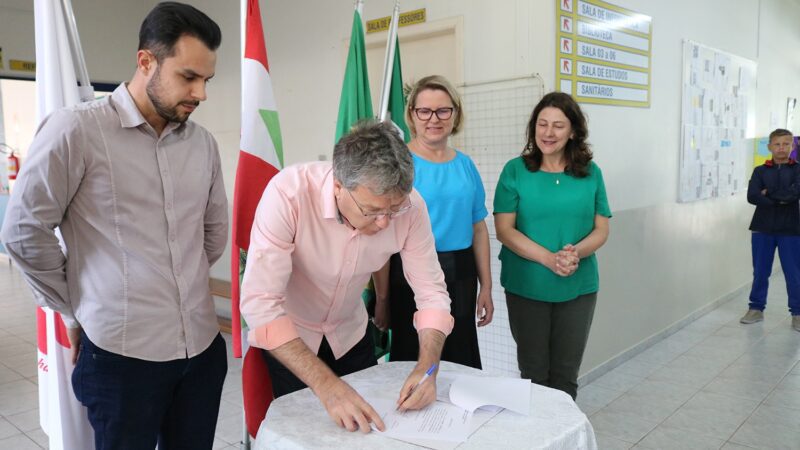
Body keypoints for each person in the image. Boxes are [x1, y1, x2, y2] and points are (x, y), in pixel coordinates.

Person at [0, 3, 228, 449]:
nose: (201, 93)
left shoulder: (202, 143)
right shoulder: (77, 132)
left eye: (207, 80)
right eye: (188, 77)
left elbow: (213, 233)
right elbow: (24, 233)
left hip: (201, 350)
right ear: (146, 61)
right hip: (122, 360)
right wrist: (75, 306)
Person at [240, 121, 454, 433]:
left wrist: (429, 367)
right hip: (292, 337)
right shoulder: (289, 193)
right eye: (371, 211)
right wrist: (328, 386)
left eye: (393, 210)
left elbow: (432, 293)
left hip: (351, 334)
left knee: (370, 431)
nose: (384, 223)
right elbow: (261, 304)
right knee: (308, 435)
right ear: (338, 186)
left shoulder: (410, 208)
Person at [493, 92, 610, 400]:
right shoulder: (515, 170)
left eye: (558, 125)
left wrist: (575, 254)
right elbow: (504, 230)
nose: (548, 132)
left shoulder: (591, 173)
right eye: (542, 124)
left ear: (573, 131)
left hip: (579, 285)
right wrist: (548, 259)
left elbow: (602, 229)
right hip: (526, 285)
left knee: (566, 374)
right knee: (533, 373)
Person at [374, 75, 493, 369]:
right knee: (412, 356)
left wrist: (486, 286)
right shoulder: (398, 164)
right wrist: (382, 298)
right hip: (409, 274)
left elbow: (478, 228)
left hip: (461, 274)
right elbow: (381, 234)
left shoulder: (465, 165)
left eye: (443, 110)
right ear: (412, 114)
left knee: (459, 356)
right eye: (424, 111)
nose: (434, 119)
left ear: (455, 113)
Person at [740, 128, 800, 332]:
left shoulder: (798, 170)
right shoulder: (760, 171)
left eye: (786, 144)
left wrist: (769, 194)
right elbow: (752, 196)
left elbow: (794, 195)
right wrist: (781, 197)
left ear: (792, 146)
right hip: (762, 228)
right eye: (777, 144)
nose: (781, 148)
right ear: (770, 147)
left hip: (791, 230)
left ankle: (797, 313)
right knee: (760, 272)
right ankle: (756, 308)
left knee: (794, 273)